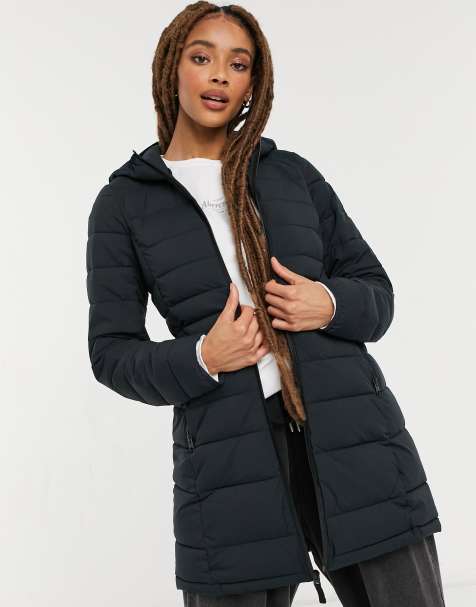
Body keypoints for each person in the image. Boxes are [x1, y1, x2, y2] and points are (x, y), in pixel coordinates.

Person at [86, 3, 446, 606]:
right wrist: (203, 356)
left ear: (255, 81)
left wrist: (326, 303)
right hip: (228, 461)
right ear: (172, 67)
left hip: (358, 441)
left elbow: (376, 294)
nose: (219, 75)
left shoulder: (292, 176)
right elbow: (111, 353)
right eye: (202, 57)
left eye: (239, 63)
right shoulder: (124, 203)